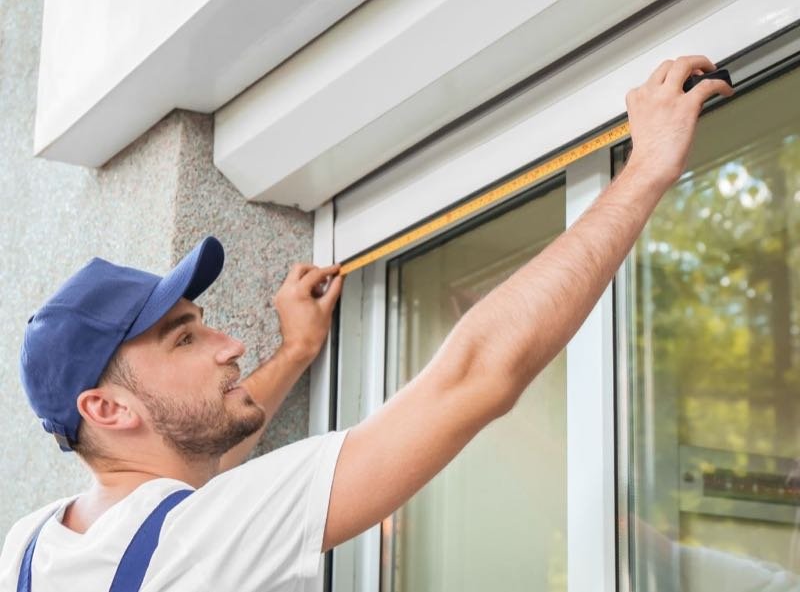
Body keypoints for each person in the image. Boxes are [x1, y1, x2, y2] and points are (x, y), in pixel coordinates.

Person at [0, 55, 733, 591]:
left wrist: (296, 352)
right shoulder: (196, 542)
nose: (231, 345)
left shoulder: (32, 548)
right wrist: (645, 169)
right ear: (107, 409)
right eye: (185, 339)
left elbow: (194, 450)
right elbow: (476, 376)